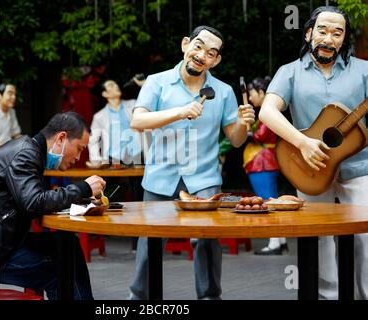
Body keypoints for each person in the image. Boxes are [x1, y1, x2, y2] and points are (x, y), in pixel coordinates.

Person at [129, 25, 255, 300]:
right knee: (150, 243)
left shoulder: (223, 91)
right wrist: (180, 112)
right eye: (198, 46)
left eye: (211, 53)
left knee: (207, 243)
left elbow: (234, 140)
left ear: (216, 60)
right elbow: (137, 120)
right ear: (185, 44)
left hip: (204, 179)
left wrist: (244, 125)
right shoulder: (156, 81)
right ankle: (140, 298)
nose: (201, 55)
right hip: (161, 176)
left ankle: (210, 297)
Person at [259, 6, 368, 299]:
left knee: (366, 238)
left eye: (337, 32)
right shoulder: (289, 72)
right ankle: (327, 296)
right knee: (318, 238)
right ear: (309, 33)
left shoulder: (364, 70)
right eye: (322, 30)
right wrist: (302, 143)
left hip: (360, 168)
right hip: (309, 167)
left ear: (344, 39)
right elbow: (267, 112)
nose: (328, 38)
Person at [0, 112, 106, 300]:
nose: (78, 157)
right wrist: (83, 188)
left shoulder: (30, 151)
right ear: (61, 138)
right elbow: (34, 203)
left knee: (68, 245)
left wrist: (84, 201)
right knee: (63, 264)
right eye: (79, 149)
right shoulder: (25, 154)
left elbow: (35, 199)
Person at [243, 76, 288, 255]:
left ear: (262, 93)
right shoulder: (264, 114)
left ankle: (274, 242)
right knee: (272, 199)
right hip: (265, 161)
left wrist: (245, 131)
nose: (251, 97)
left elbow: (259, 136)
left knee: (267, 201)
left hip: (262, 162)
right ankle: (281, 239)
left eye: (253, 93)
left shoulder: (267, 114)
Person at [88, 79, 148, 167]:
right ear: (105, 94)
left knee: (139, 180)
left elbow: (149, 102)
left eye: (116, 84)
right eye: (111, 85)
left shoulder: (133, 105)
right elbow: (93, 141)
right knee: (111, 181)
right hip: (113, 158)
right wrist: (96, 160)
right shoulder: (99, 116)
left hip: (137, 155)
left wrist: (144, 85)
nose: (116, 86)